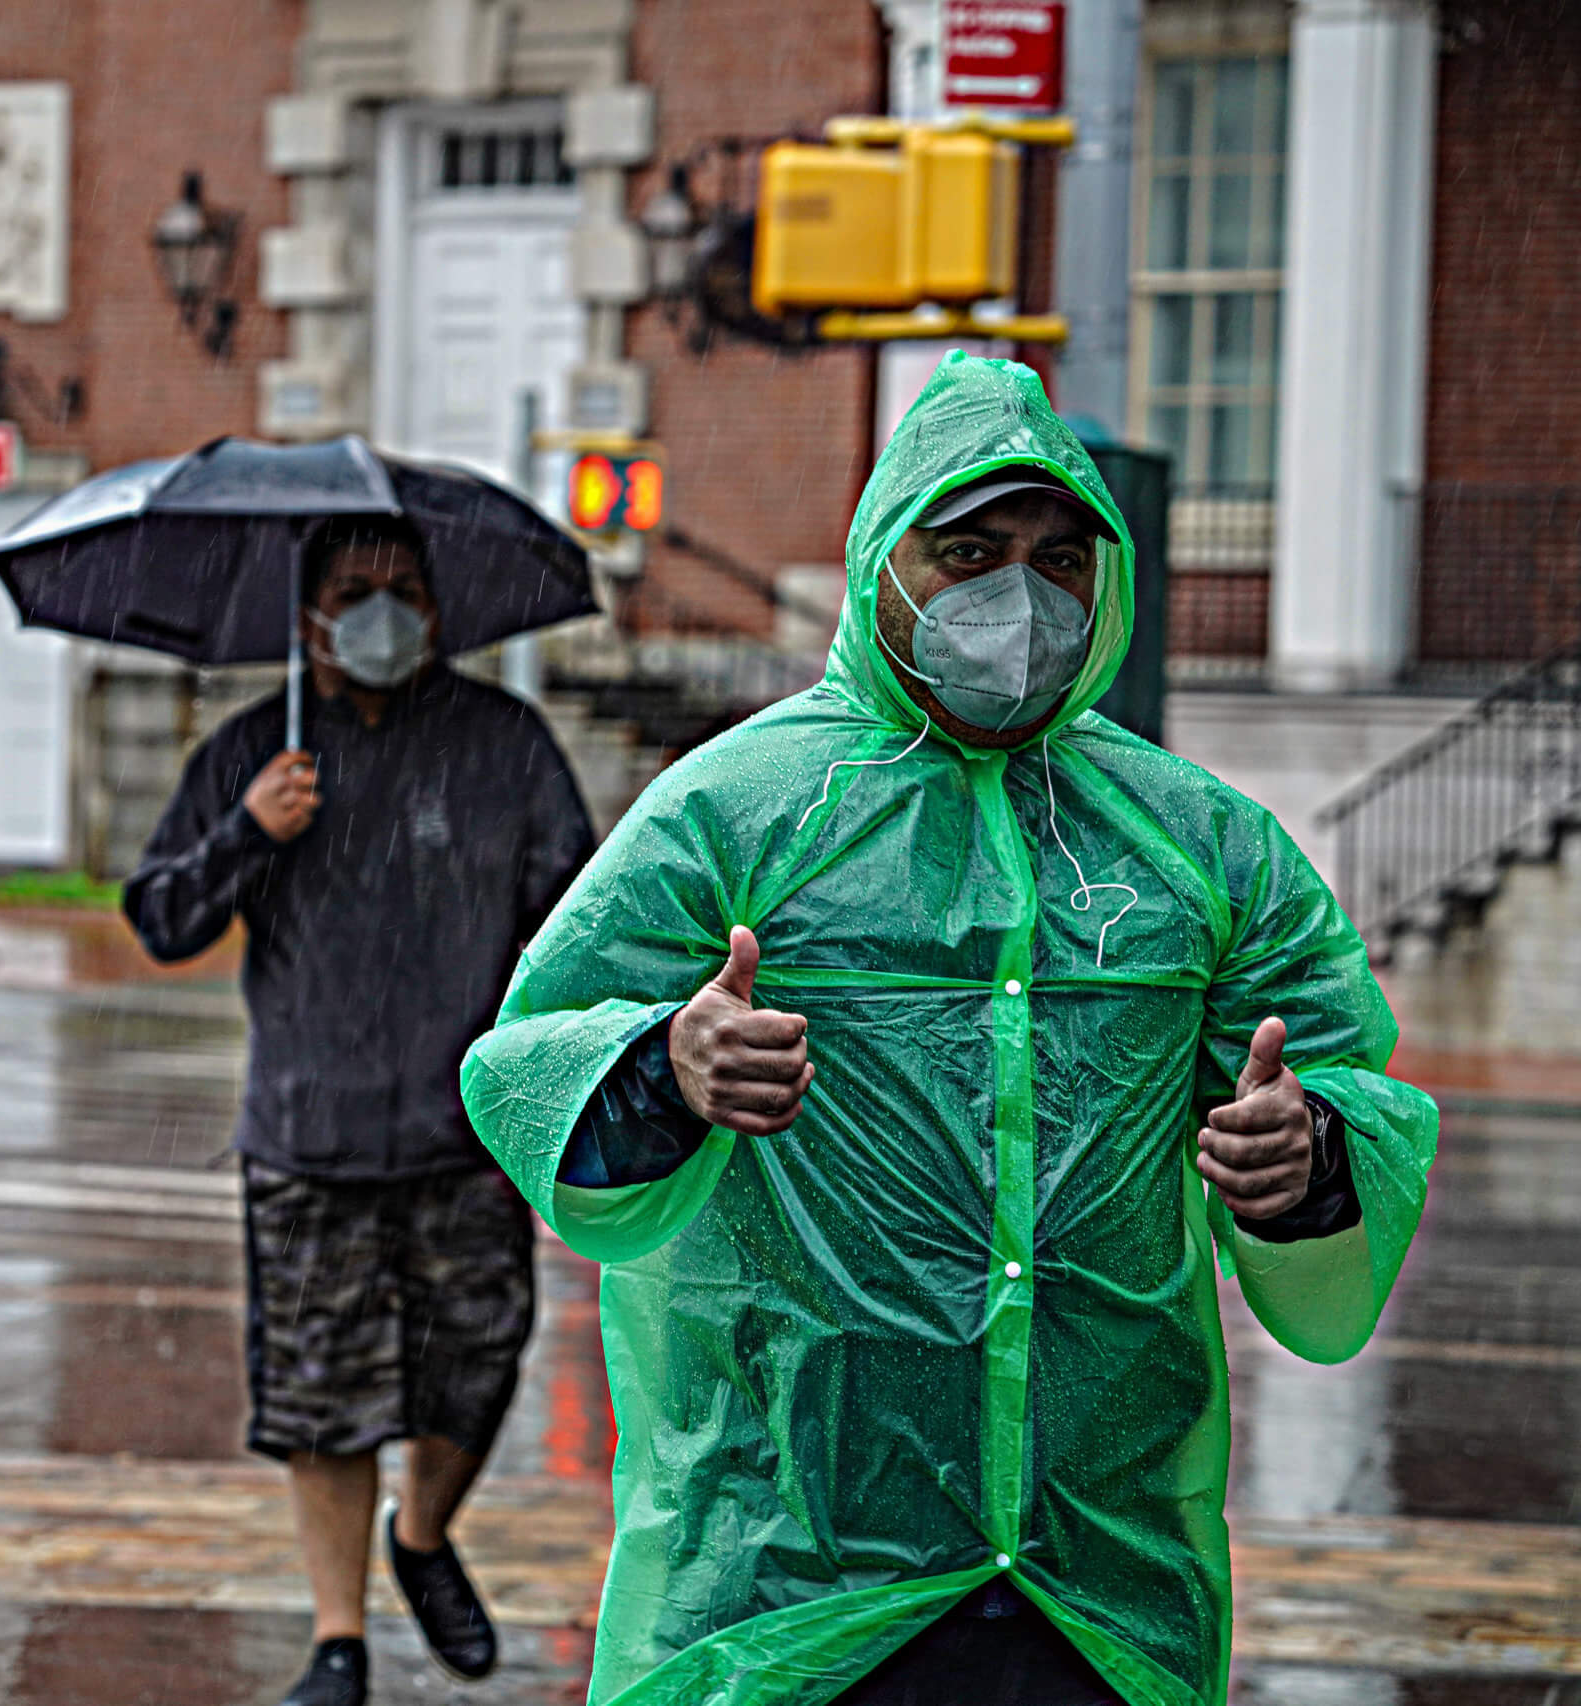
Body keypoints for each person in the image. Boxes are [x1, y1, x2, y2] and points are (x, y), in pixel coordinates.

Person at [461, 352, 1439, 1706]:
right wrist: (667, 1067)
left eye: (1058, 559)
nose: (1018, 599)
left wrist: (1309, 1150)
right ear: (883, 564)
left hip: (1099, 1567)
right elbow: (528, 1056)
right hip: (789, 1559)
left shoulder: (1202, 842)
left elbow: (1339, 1078)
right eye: (970, 550)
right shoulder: (736, 811)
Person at [125, 513, 596, 1706]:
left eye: (402, 588)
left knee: (477, 1368)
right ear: (309, 618)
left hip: (465, 1132)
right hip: (308, 1131)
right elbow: (161, 916)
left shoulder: (504, 745)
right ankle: (336, 1641)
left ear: (437, 613)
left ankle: (424, 1533)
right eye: (355, 588)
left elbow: (586, 917)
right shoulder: (255, 752)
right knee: (319, 1396)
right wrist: (250, 830)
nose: (382, 608)